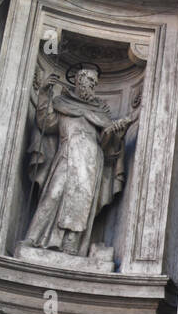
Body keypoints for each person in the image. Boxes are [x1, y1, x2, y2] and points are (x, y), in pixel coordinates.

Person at [24, 64, 132, 257]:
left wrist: (115, 133)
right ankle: (35, 238)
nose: (93, 85)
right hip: (67, 155)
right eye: (90, 81)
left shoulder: (100, 112)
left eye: (95, 82)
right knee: (53, 195)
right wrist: (44, 93)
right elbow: (46, 124)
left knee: (82, 202)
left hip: (91, 162)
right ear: (79, 80)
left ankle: (70, 245)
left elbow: (107, 147)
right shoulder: (62, 104)